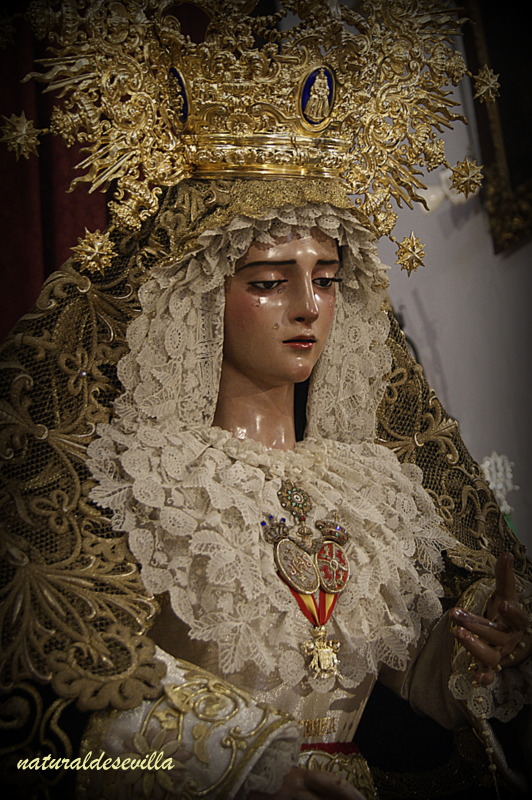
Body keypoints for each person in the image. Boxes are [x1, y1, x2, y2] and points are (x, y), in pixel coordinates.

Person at [0, 3, 530, 800]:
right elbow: (87, 684)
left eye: (326, 279)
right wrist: (245, 765)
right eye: (270, 281)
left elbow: (409, 676)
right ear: (203, 298)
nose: (308, 306)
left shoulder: (378, 488)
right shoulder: (138, 481)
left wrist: (475, 650)